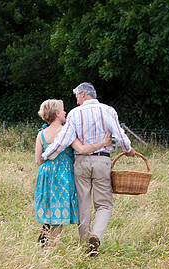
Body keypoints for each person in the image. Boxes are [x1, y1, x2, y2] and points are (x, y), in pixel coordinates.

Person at [41, 83, 135, 256]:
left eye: (77, 96)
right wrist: (128, 150)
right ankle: (96, 238)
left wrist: (47, 155)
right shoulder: (108, 110)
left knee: (83, 204)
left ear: (83, 94)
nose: (77, 101)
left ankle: (85, 243)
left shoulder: (75, 114)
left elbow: (63, 140)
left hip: (81, 162)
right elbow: (120, 134)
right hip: (102, 161)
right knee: (104, 204)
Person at [34, 99, 111, 247]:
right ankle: (51, 246)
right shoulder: (66, 132)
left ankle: (45, 231)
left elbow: (39, 160)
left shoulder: (41, 134)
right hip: (62, 175)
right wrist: (102, 144)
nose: (65, 112)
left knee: (49, 204)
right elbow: (81, 149)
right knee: (59, 209)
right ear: (57, 114)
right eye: (63, 110)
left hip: (45, 173)